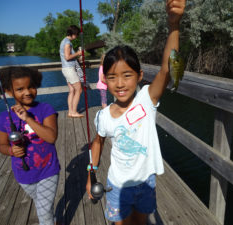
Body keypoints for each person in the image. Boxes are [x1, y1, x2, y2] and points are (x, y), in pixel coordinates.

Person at [86, 0, 185, 224]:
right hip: (117, 185)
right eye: (112, 77)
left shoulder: (146, 99)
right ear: (104, 80)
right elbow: (98, 142)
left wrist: (174, 25)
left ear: (140, 76)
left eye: (127, 75)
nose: (119, 83)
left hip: (146, 183)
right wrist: (90, 173)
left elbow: (168, 68)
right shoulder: (103, 116)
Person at [0, 67, 60, 225]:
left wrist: (28, 118)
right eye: (20, 89)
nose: (28, 92)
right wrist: (11, 150)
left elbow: (51, 137)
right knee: (42, 205)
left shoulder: (45, 109)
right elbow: (1, 145)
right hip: (23, 174)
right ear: (9, 92)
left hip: (48, 170)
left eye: (31, 86)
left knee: (43, 212)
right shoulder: (3, 118)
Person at [60, 25, 84, 118]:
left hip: (66, 69)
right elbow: (67, 57)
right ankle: (73, 112)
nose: (77, 36)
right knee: (79, 89)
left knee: (72, 90)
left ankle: (70, 112)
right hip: (69, 69)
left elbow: (69, 57)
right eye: (77, 34)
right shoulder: (67, 43)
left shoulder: (65, 41)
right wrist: (78, 53)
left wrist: (78, 58)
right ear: (73, 34)